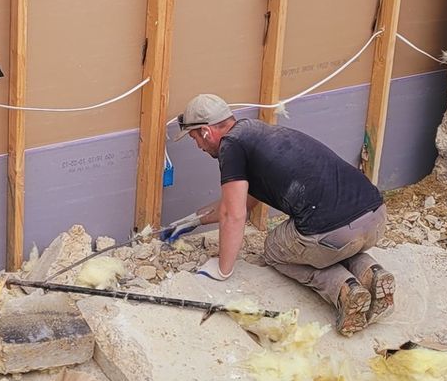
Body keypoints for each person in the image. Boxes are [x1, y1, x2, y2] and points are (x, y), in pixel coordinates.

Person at [163, 94, 392, 331]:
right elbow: (243, 201)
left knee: (274, 250)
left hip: (334, 234)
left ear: (206, 132)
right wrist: (194, 220)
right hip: (375, 217)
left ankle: (344, 288)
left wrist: (223, 269)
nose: (198, 147)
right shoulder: (256, 132)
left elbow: (235, 215)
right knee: (334, 244)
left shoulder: (230, 147)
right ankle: (371, 272)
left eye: (194, 139)